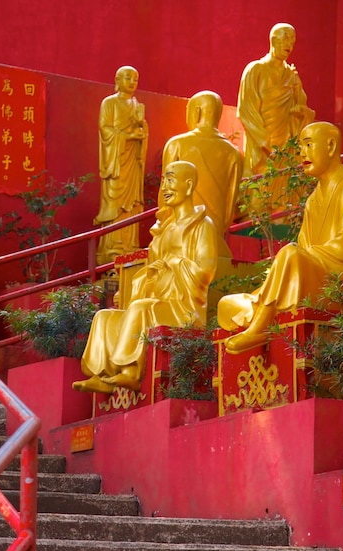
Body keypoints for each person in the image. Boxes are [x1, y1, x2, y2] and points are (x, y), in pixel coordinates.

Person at [218, 122, 343, 354]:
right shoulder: (312, 200)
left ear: (330, 146)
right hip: (307, 279)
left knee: (290, 252)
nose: (302, 153)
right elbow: (302, 253)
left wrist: (303, 258)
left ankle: (260, 326)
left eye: (309, 145)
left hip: (333, 288)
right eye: (301, 147)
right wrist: (301, 258)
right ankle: (264, 313)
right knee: (227, 304)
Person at [74, 161, 217, 394]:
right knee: (105, 317)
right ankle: (102, 375)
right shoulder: (164, 229)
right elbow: (149, 269)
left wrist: (173, 263)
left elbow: (205, 270)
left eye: (171, 180)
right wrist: (151, 273)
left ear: (188, 185)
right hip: (157, 298)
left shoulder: (201, 226)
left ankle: (130, 372)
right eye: (163, 182)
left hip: (183, 307)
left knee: (139, 309)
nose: (164, 188)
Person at [161, 91, 243, 257]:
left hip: (178, 234)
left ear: (196, 112)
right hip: (214, 236)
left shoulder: (176, 144)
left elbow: (165, 197)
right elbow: (230, 205)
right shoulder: (233, 153)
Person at [237, 23, 315, 177]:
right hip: (263, 145)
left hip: (287, 144)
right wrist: (264, 140)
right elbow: (246, 110)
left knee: (284, 188)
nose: (289, 44)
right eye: (286, 39)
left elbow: (301, 105)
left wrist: (297, 88)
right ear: (273, 39)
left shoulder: (291, 74)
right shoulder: (255, 69)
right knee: (260, 188)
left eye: (293, 41)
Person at [96, 65, 148, 265]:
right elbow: (105, 128)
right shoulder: (109, 103)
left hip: (132, 163)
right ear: (117, 80)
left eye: (136, 78)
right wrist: (127, 136)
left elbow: (143, 129)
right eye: (128, 78)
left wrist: (142, 129)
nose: (133, 82)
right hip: (116, 162)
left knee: (133, 203)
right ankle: (113, 247)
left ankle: (130, 245)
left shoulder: (138, 106)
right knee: (116, 202)